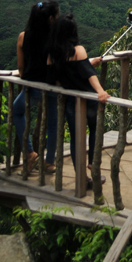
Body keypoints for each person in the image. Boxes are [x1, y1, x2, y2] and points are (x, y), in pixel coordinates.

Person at [47, 14, 109, 188]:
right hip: (88, 99)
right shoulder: (78, 50)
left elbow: (56, 79)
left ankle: (81, 177)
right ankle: (92, 163)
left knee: (76, 139)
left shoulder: (52, 56)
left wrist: (87, 64)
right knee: (95, 131)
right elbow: (89, 74)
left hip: (70, 101)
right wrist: (100, 91)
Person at [13, 0, 60, 172]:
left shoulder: (23, 36)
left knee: (17, 111)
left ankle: (29, 151)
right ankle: (49, 162)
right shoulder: (55, 39)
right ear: (50, 19)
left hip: (30, 87)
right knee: (52, 123)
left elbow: (20, 68)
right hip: (50, 87)